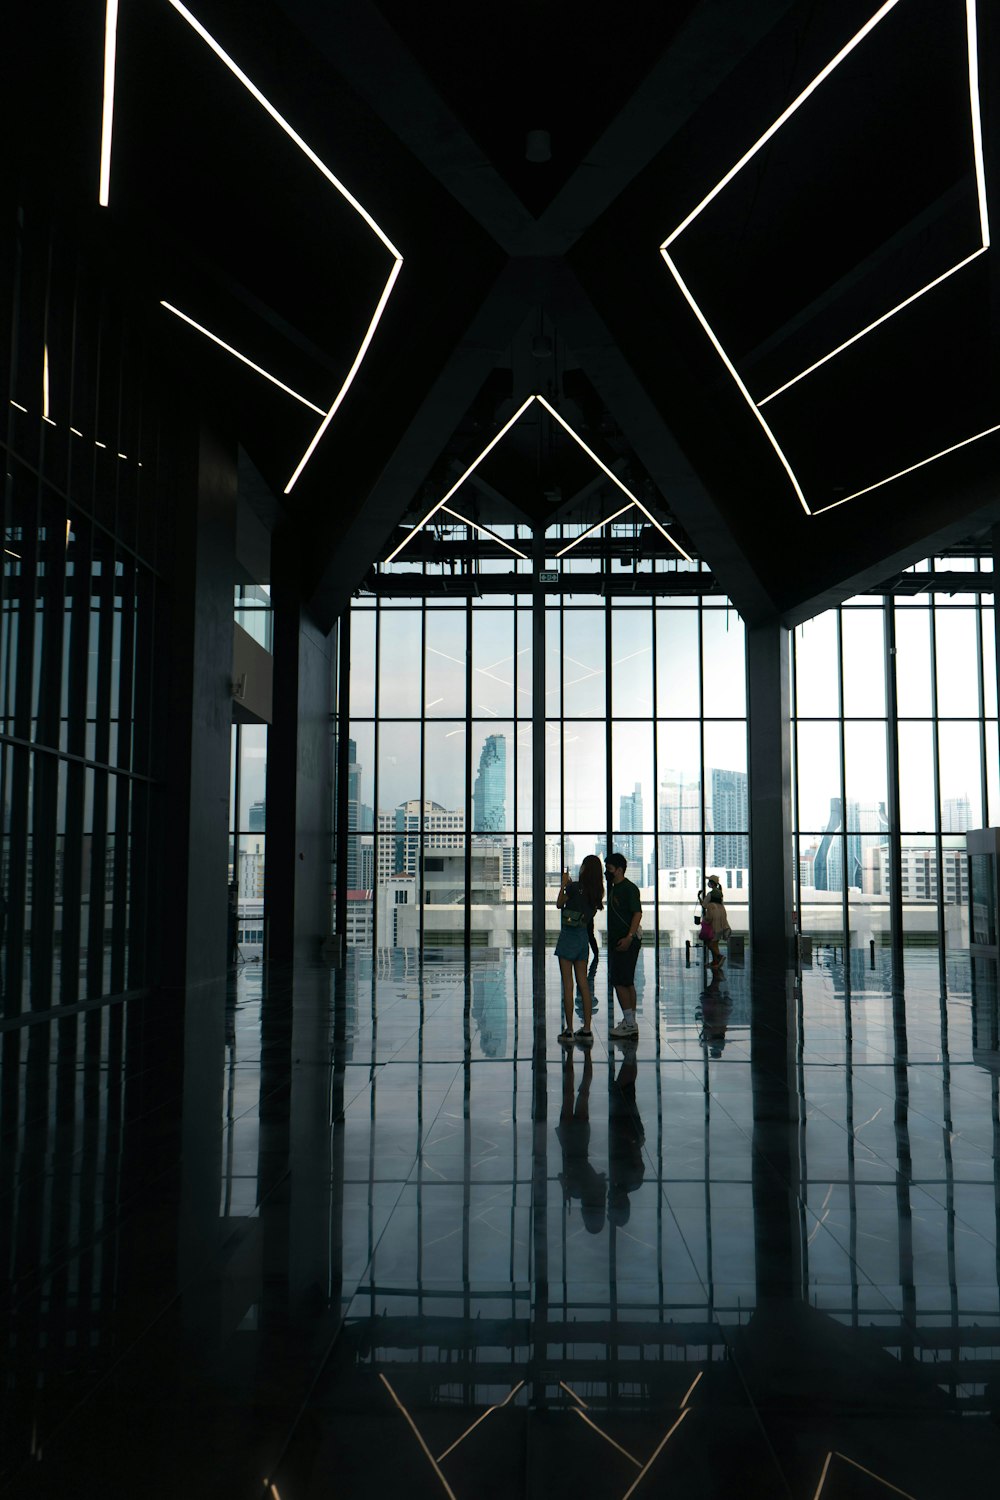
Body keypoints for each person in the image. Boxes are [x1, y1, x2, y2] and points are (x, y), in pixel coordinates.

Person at [555, 854, 604, 1046]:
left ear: (584, 869)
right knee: (583, 984)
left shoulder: (574, 888)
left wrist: (563, 884)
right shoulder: (597, 893)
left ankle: (569, 1031)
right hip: (583, 938)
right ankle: (587, 1029)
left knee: (568, 985)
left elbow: (559, 904)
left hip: (568, 937)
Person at [556, 1049, 606, 1234]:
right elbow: (561, 1175)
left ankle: (586, 1056)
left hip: (582, 1139)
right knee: (568, 1093)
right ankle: (571, 1057)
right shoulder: (576, 1192)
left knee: (584, 1091)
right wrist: (566, 1190)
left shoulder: (598, 1191)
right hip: (569, 1143)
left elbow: (599, 1175)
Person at [605, 853, 642, 1042]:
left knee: (620, 981)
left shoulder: (629, 889)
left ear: (619, 870)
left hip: (625, 941)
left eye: (610, 869)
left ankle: (629, 1024)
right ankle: (630, 1022)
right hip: (618, 941)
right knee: (627, 981)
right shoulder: (613, 888)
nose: (607, 872)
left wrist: (629, 937)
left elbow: (637, 914)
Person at [698, 875, 731, 969]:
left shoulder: (710, 894)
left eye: (709, 882)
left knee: (710, 943)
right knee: (715, 942)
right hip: (722, 919)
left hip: (713, 919)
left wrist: (699, 896)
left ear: (712, 883)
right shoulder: (720, 893)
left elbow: (704, 905)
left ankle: (720, 957)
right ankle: (715, 962)